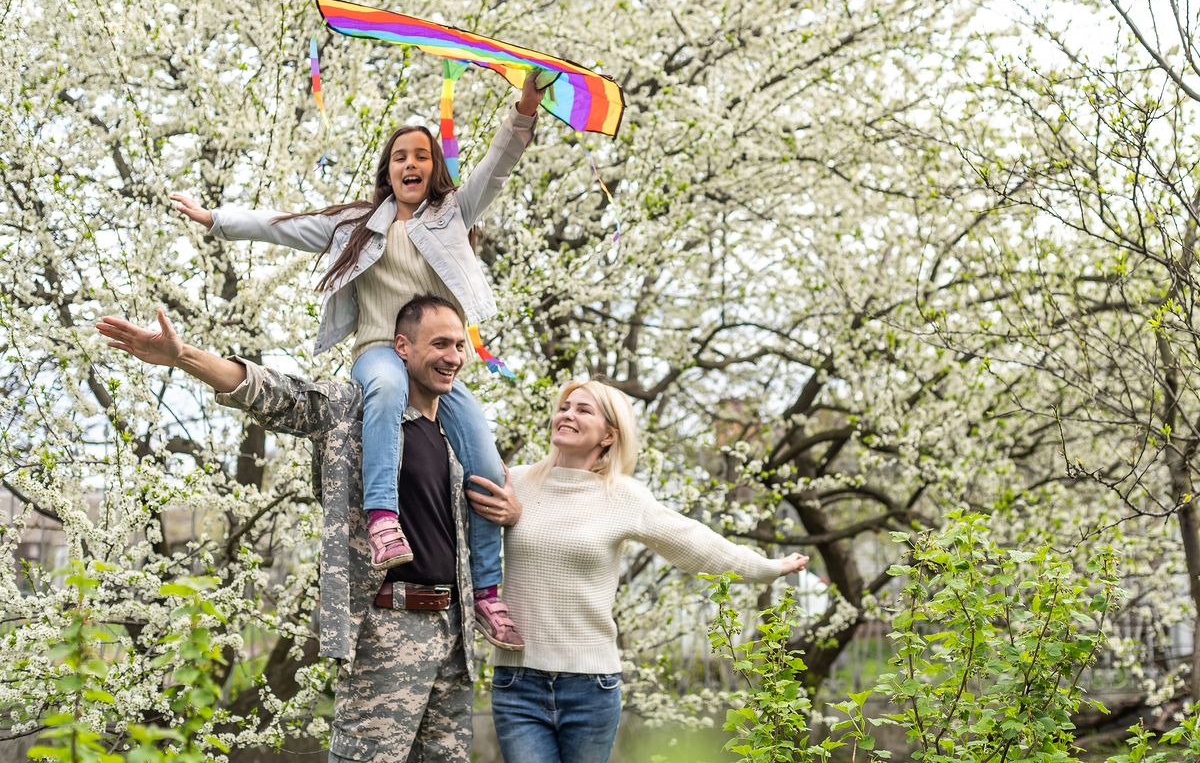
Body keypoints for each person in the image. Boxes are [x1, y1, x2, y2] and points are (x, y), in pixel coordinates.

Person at [168, 74, 548, 650]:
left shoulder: (452, 215)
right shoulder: (358, 226)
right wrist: (215, 219)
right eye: (400, 156)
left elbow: (498, 165)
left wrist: (526, 105)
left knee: (486, 463)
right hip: (379, 351)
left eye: (421, 155)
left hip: (435, 363)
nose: (410, 163)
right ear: (388, 170)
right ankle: (381, 518)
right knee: (387, 393)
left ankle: (488, 593)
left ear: (434, 168)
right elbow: (284, 226)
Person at [96, 295, 526, 763]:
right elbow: (280, 394)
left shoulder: (460, 434)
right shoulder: (356, 412)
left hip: (455, 633)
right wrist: (184, 356)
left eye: (460, 346)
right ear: (401, 346)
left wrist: (512, 510)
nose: (454, 357)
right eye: (440, 344)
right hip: (387, 631)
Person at [467, 380, 810, 763]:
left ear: (609, 435)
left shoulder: (624, 496)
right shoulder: (518, 483)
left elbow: (695, 543)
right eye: (565, 406)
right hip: (518, 682)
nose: (567, 414)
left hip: (590, 687)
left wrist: (768, 568)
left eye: (583, 410)